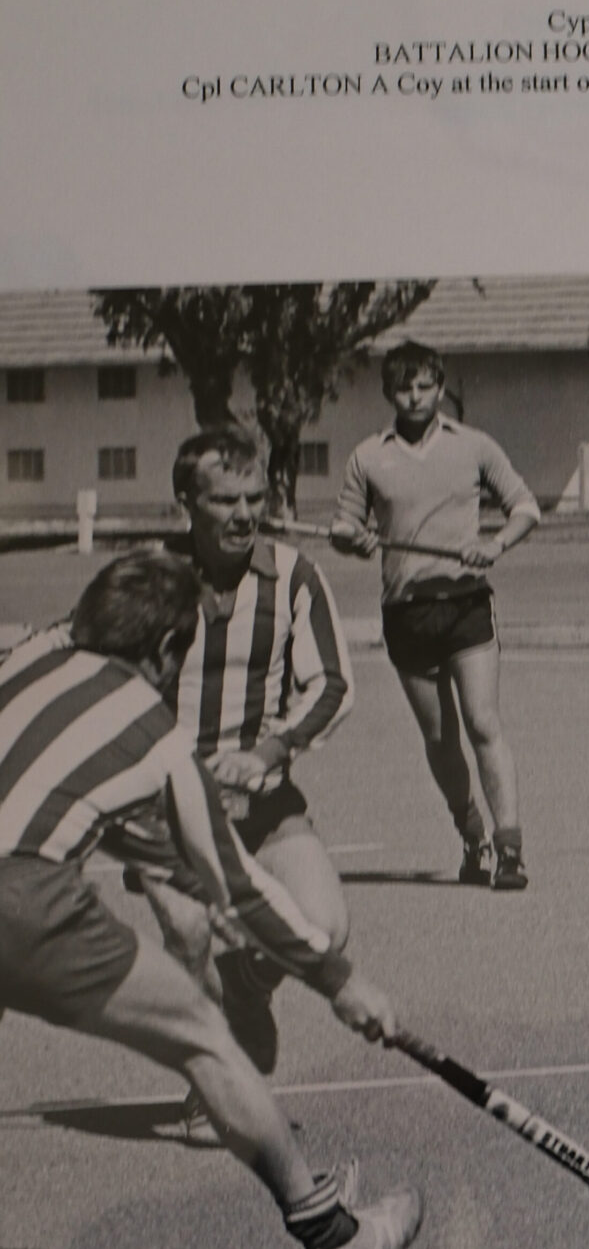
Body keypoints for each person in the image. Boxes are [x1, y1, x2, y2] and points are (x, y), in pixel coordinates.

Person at [0, 551, 422, 1249]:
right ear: (165, 651)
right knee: (202, 1032)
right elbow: (240, 887)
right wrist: (340, 980)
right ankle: (335, 1240)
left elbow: (92, 812)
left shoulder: (22, 665)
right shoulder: (154, 733)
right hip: (23, 901)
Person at [105, 422, 355, 1142]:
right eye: (226, 501)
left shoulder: (292, 575)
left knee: (323, 929)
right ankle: (205, 1088)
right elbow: (92, 675)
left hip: (263, 801)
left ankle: (245, 987)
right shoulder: (147, 579)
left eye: (256, 497)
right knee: (186, 932)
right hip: (159, 808)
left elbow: (333, 682)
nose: (246, 514)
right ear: (186, 499)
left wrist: (271, 749)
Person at [331, 340, 540, 890]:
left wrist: (494, 546)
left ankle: (510, 848)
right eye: (405, 386)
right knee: (441, 742)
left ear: (441, 387)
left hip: (467, 605)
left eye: (426, 385)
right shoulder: (367, 456)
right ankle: (471, 835)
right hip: (406, 611)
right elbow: (346, 529)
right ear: (389, 393)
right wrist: (352, 540)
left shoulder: (473, 446)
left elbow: (525, 508)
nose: (416, 395)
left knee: (483, 723)